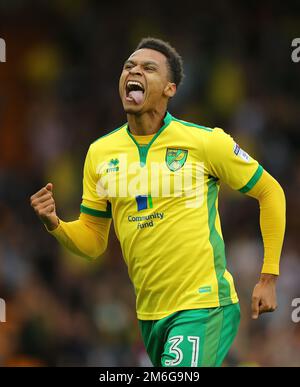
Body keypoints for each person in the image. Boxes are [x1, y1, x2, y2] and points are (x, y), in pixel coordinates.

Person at [30, 37, 286, 367]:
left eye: (148, 68)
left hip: (204, 305)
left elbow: (270, 191)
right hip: (150, 315)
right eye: (128, 66)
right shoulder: (100, 153)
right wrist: (56, 225)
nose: (134, 71)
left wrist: (268, 278)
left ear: (169, 89)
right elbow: (93, 240)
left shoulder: (205, 142)